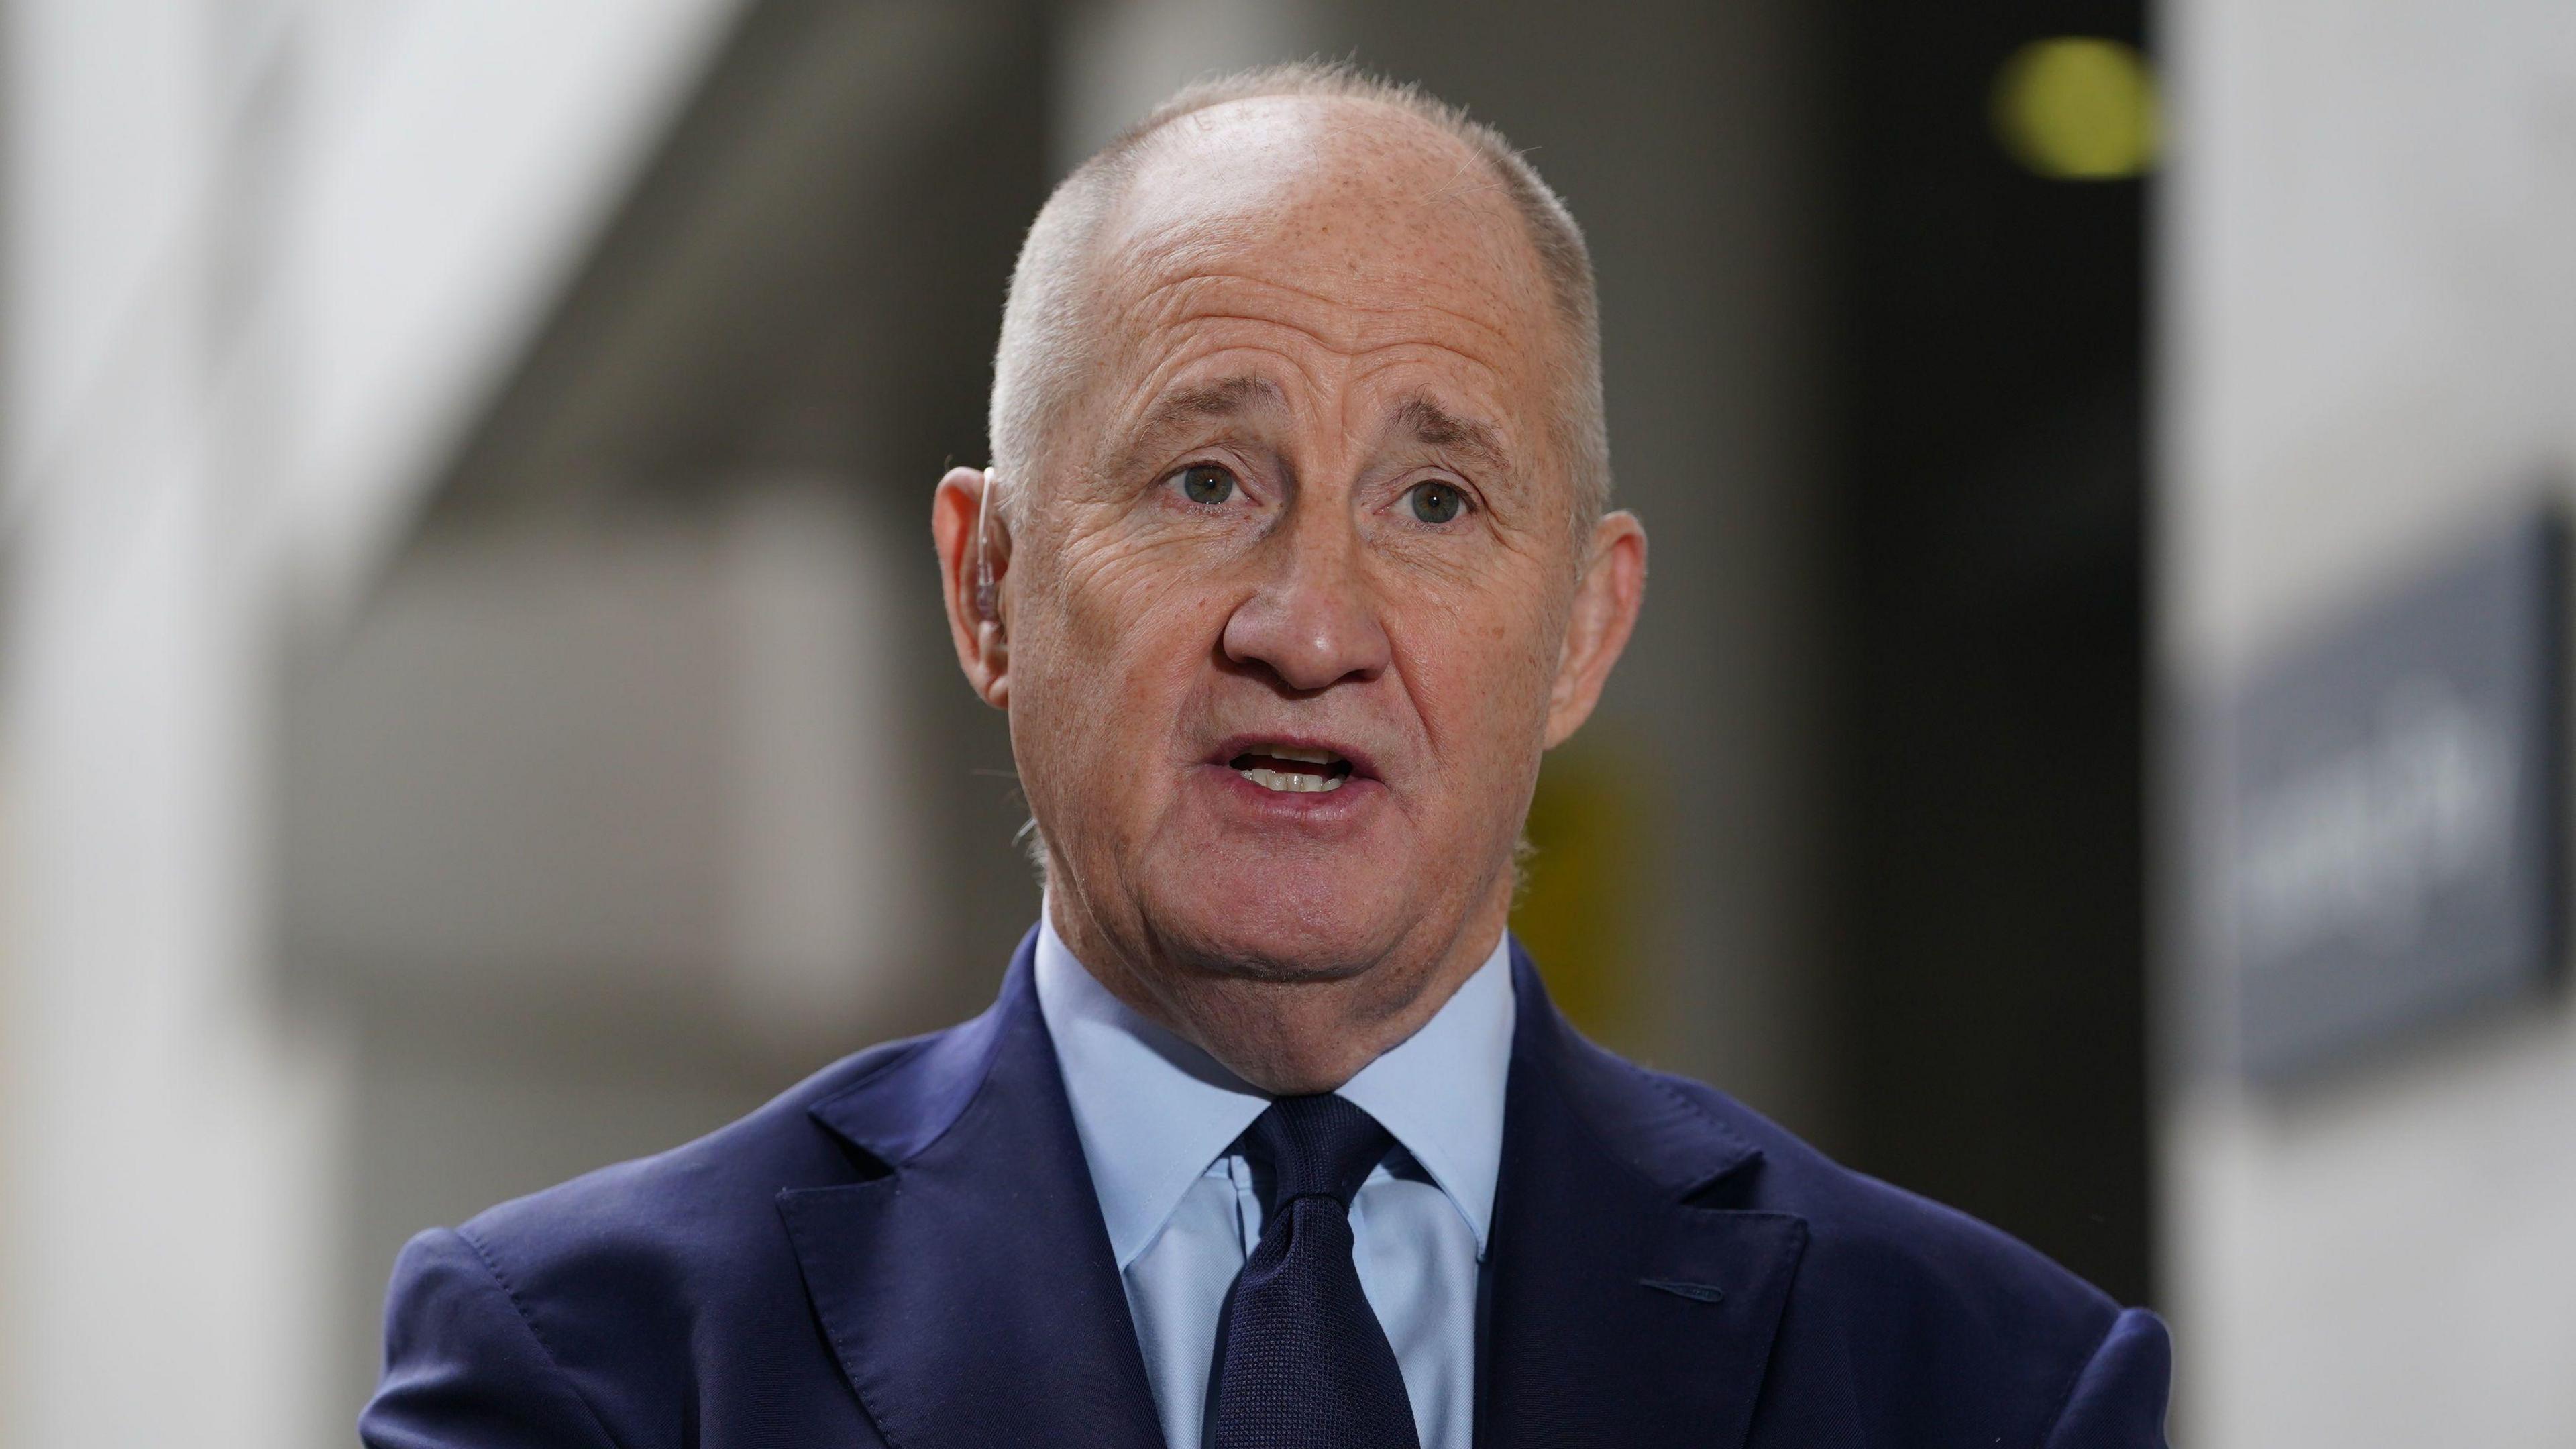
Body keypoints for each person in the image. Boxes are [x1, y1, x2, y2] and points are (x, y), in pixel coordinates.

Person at [360, 63, 2169, 1449]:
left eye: (1438, 499)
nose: (1309, 627)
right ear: (988, 586)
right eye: (1204, 480)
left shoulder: (1987, 1387)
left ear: (1586, 633)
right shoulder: (588, 1371)